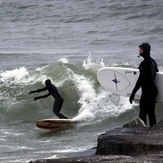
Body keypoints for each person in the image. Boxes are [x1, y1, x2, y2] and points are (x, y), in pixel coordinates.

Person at [129, 43, 158, 127]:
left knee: (142, 113)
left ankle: (143, 133)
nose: (139, 51)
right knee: (151, 114)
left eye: (141, 49)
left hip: (147, 92)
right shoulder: (153, 62)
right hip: (153, 91)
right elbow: (156, 77)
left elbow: (141, 79)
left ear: (145, 50)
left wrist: (133, 93)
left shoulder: (144, 63)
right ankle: (153, 131)